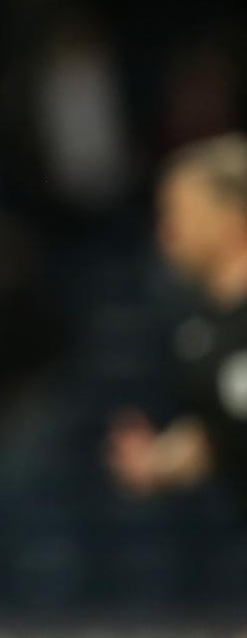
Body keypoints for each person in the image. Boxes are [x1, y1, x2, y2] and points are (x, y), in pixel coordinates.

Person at [106, 132, 247, 511]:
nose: (168, 233)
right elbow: (217, 436)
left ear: (231, 220)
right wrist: (157, 464)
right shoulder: (201, 332)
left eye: (181, 213)